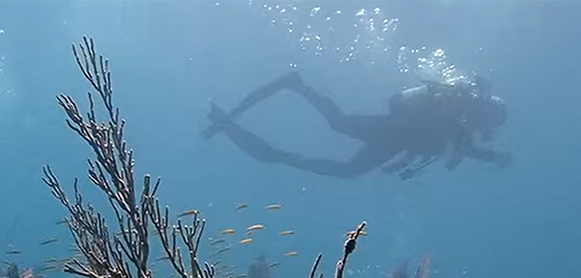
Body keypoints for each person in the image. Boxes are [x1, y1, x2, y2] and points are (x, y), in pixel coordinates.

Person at [202, 71, 512, 180]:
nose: (485, 127)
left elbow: (435, 146)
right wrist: (494, 158)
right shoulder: (457, 114)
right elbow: (446, 142)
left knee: (346, 165)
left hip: (393, 140)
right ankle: (298, 86)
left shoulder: (459, 125)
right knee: (339, 126)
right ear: (484, 111)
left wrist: (401, 164)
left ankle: (282, 153)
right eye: (489, 121)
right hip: (391, 131)